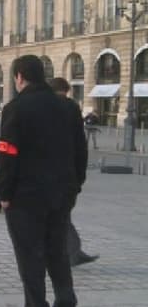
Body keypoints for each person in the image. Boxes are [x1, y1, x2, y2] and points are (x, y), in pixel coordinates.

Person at [0, 56, 88, 307]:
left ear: (20, 76)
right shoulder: (68, 108)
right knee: (57, 252)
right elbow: (80, 151)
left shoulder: (16, 108)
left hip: (26, 195)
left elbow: (7, 154)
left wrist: (3, 192)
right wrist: (75, 184)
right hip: (61, 193)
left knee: (29, 254)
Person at [49, 77, 99, 267]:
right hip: (67, 172)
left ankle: (69, 251)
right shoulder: (71, 108)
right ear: (66, 90)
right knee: (61, 215)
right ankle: (72, 252)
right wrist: (80, 176)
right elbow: (80, 147)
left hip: (46, 173)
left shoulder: (43, 107)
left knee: (59, 216)